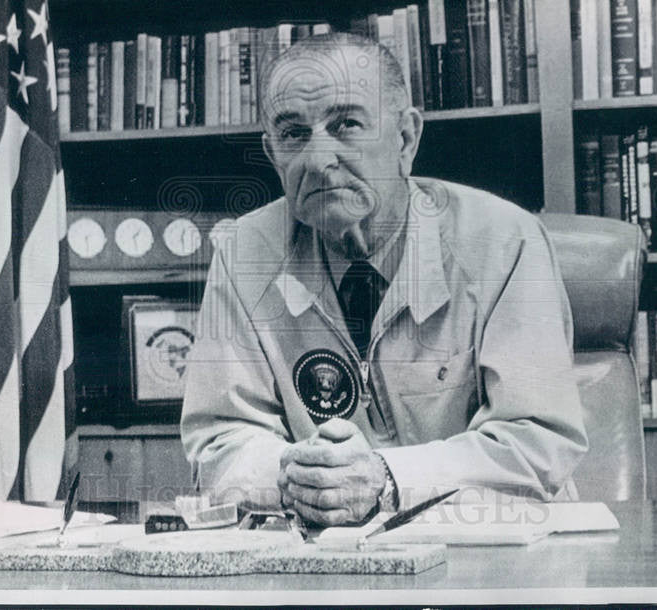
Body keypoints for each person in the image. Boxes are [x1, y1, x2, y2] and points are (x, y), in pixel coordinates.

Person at [180, 33, 587, 526]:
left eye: (346, 124)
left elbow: (538, 441)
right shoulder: (244, 252)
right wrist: (287, 474)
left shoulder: (504, 242)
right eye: (294, 135)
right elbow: (220, 440)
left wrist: (386, 477)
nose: (317, 159)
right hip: (329, 570)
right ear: (272, 154)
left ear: (406, 139)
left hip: (496, 557)